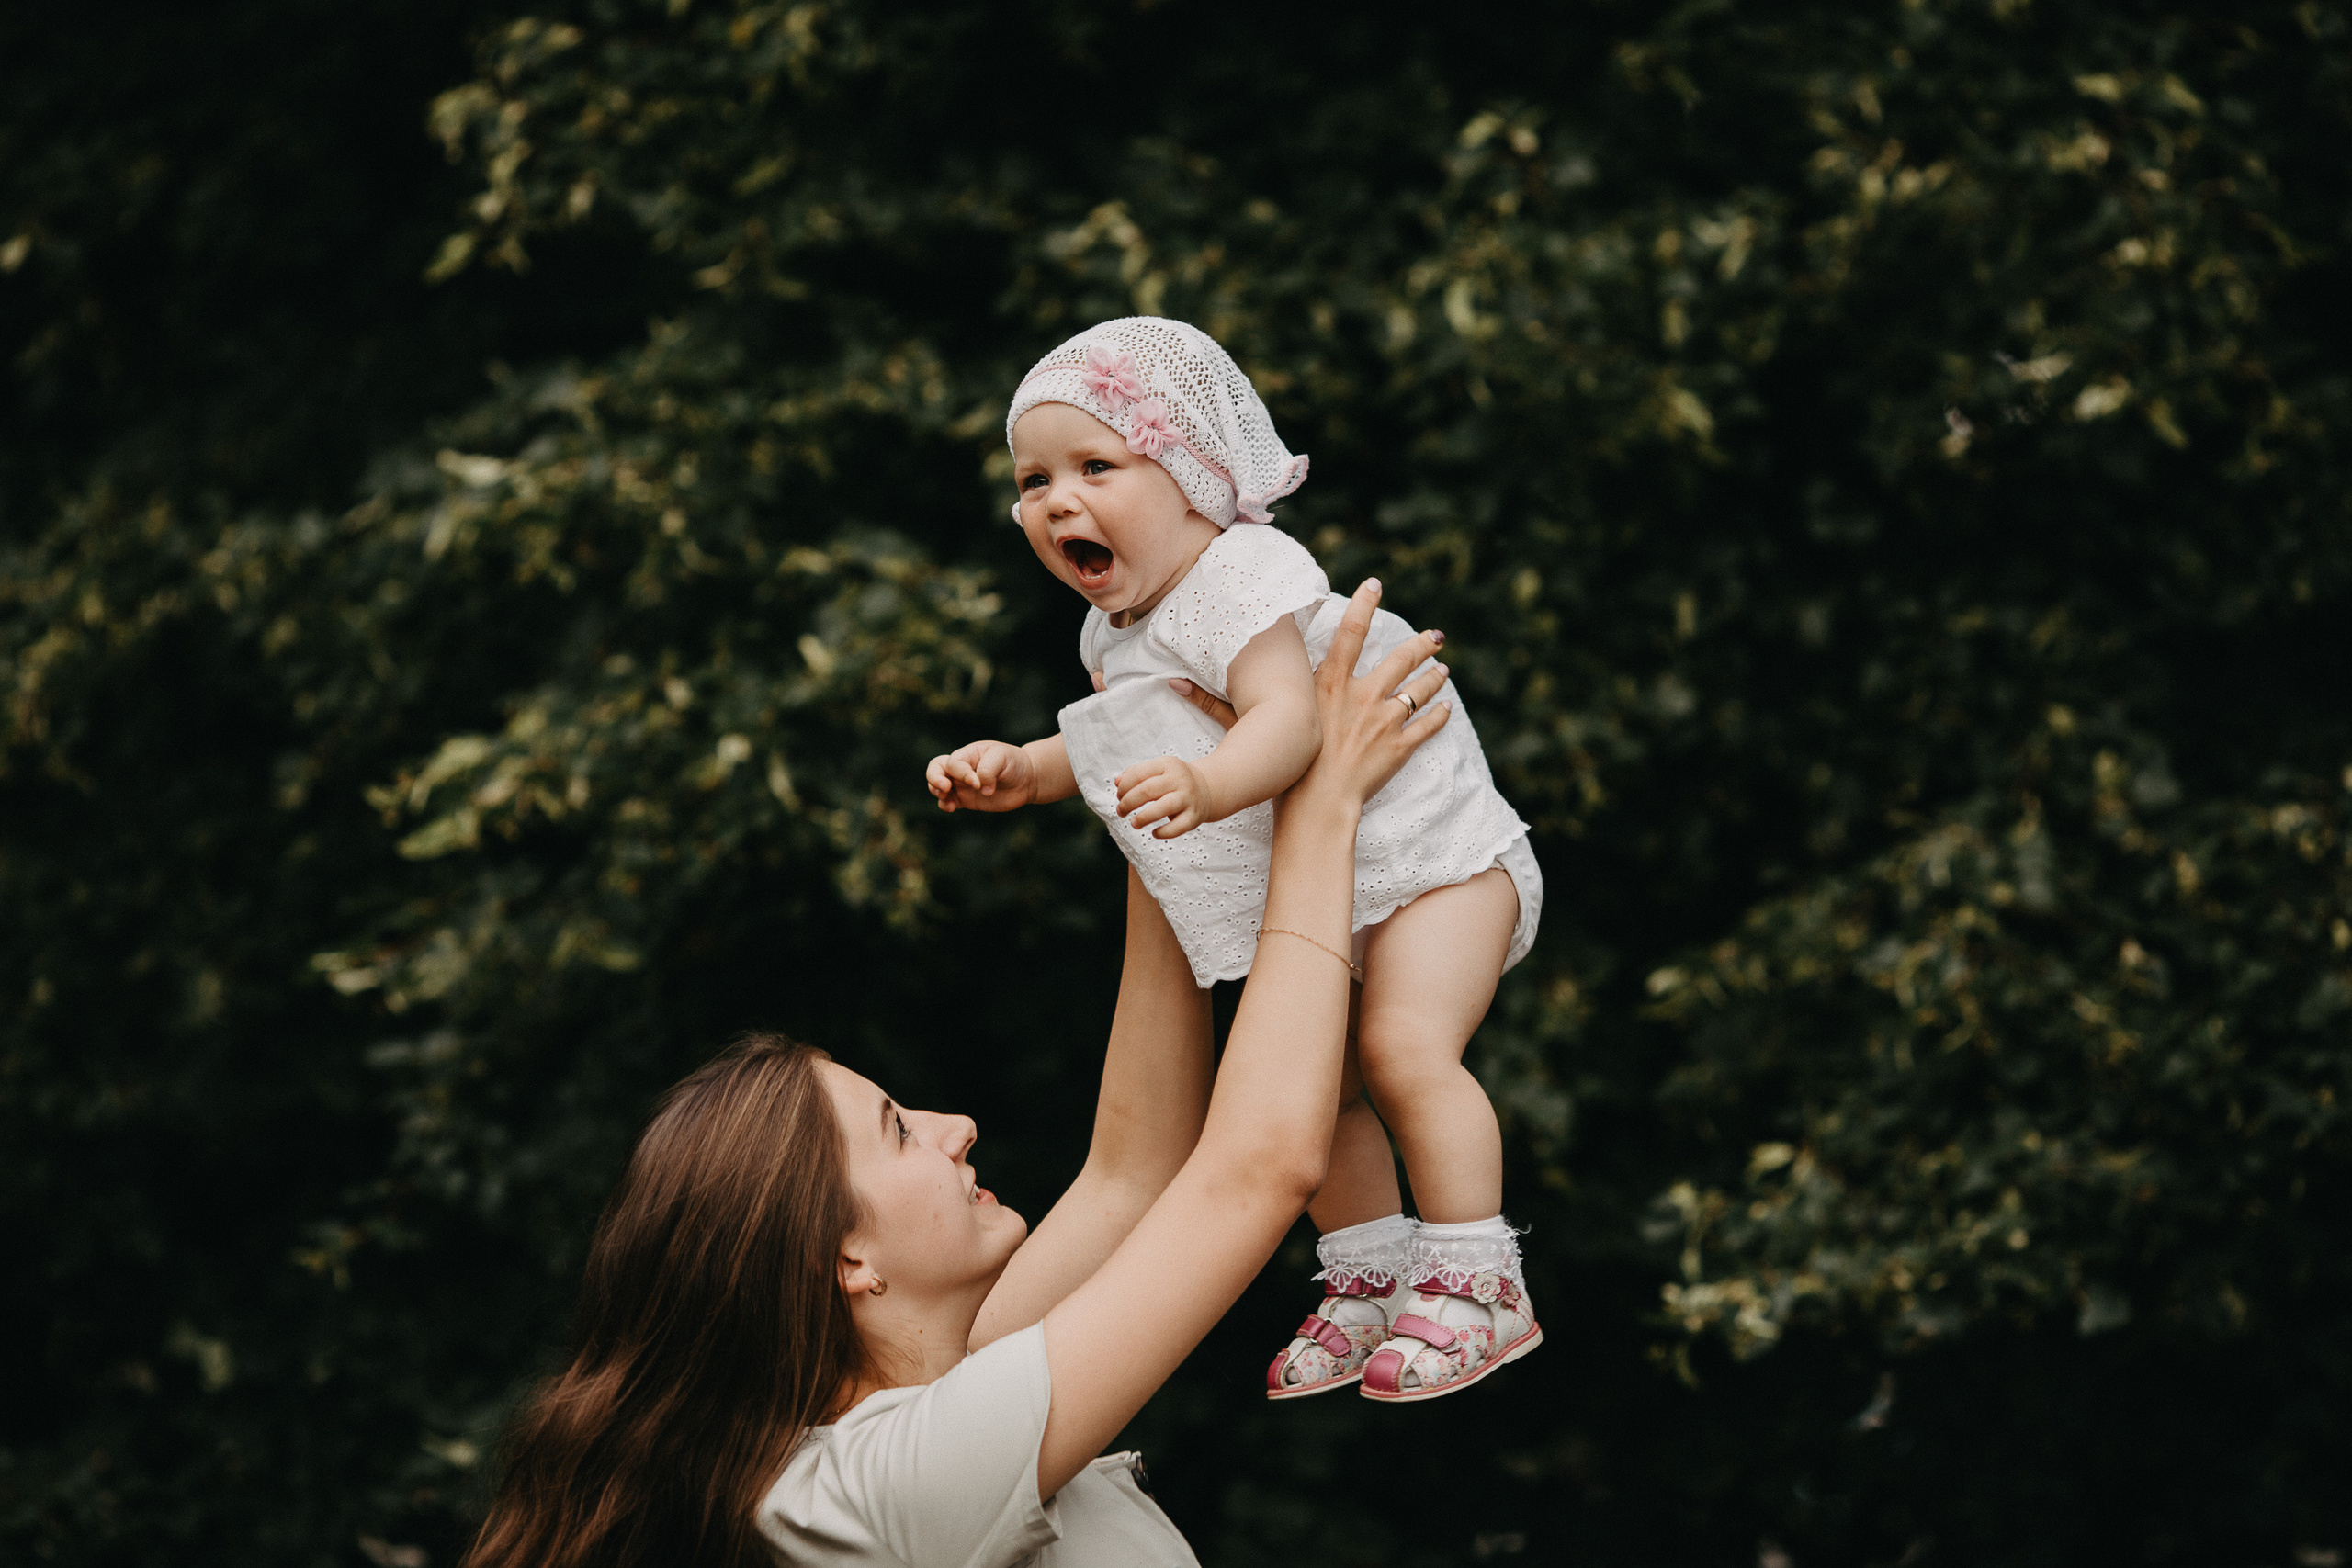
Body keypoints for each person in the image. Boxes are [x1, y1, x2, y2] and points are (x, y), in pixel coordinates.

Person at [461, 582, 1453, 1568]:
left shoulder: (939, 1396)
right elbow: (1259, 1165)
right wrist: (1324, 803)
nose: (958, 1125)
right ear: (847, 1260)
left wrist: (1155, 765)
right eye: (897, 1129)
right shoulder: (885, 1491)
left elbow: (1135, 1170)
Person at [923, 318, 1544, 1401]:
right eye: (1033, 481)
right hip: (1341, 886)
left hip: (1438, 864)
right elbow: (1118, 736)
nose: (1057, 501)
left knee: (1403, 1048)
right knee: (1317, 1089)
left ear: (1193, 480)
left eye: (1096, 466)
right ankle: (1369, 1275)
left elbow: (1288, 724)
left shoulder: (1238, 573)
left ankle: (1478, 1279)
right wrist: (1023, 771)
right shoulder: (1116, 628)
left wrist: (1209, 788)